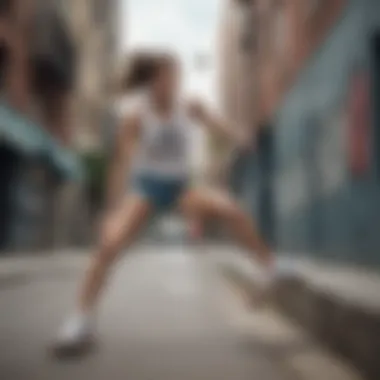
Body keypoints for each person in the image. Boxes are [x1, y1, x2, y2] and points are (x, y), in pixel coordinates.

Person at [52, 50, 276, 356]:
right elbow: (122, 163)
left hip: (181, 186)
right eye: (168, 77)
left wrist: (241, 137)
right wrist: (111, 211)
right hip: (146, 188)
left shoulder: (190, 106)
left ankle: (268, 268)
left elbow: (216, 125)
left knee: (231, 210)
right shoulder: (136, 114)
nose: (174, 82)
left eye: (177, 76)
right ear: (153, 82)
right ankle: (80, 320)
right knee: (108, 245)